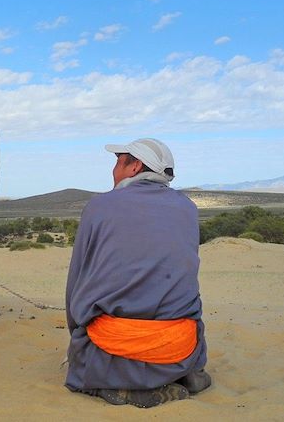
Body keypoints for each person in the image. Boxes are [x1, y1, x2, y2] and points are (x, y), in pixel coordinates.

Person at [65, 138, 211, 408]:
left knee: (83, 359)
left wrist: (76, 334)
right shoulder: (188, 208)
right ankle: (183, 377)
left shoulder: (99, 206)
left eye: (118, 162)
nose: (113, 170)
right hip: (179, 347)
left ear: (135, 167)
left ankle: (121, 389)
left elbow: (77, 282)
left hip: (113, 344)